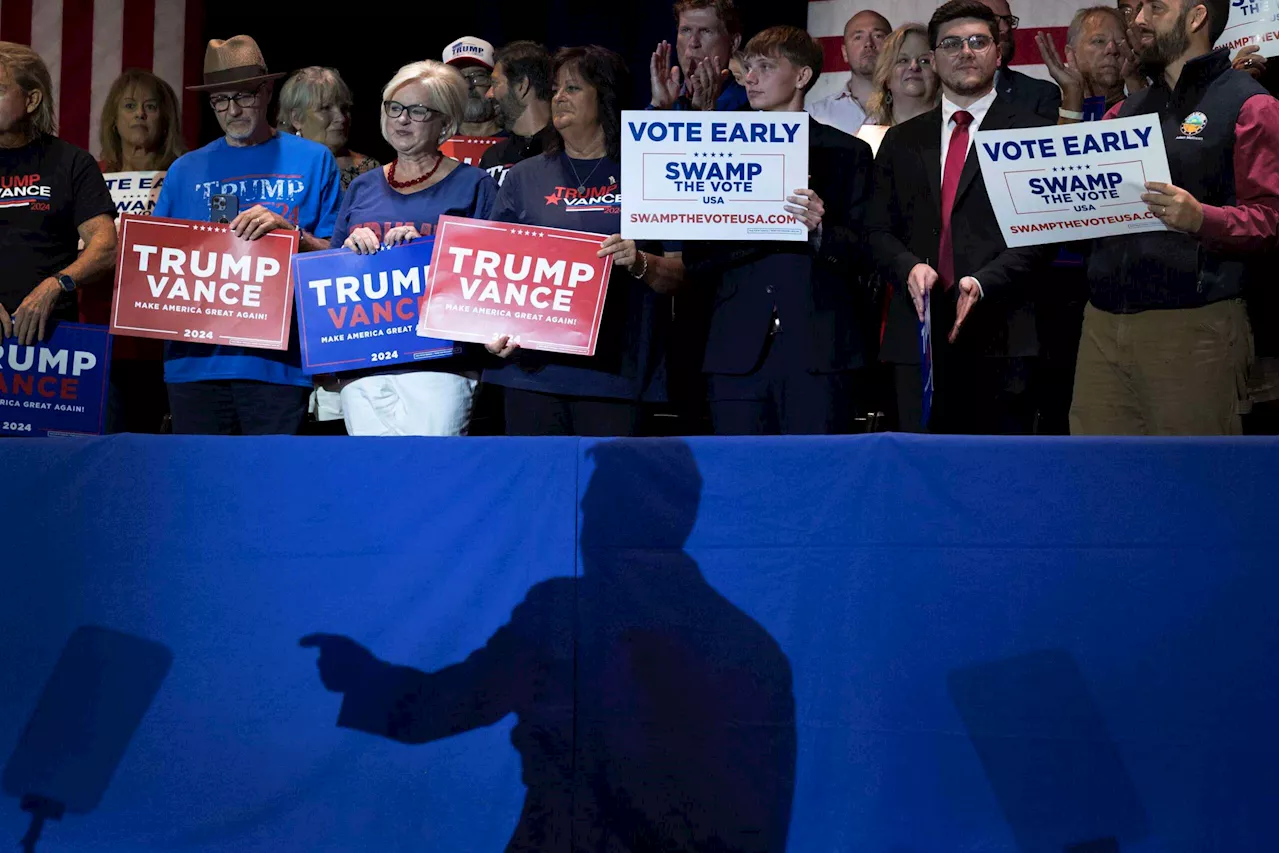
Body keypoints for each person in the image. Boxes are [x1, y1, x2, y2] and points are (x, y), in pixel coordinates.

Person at [301, 440, 797, 852]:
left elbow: (446, 707)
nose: (583, 509)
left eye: (601, 497)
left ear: (637, 514)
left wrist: (360, 678)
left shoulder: (560, 613)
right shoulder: (751, 647)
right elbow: (762, 822)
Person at [1070, 0, 1280, 436]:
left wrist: (1202, 218)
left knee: (1195, 487)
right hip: (1103, 325)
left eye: (1156, 8)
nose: (1139, 20)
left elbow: (1270, 219)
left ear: (1197, 17)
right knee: (1099, 482)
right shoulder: (1123, 112)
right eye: (1138, 9)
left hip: (1194, 327)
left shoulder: (1250, 105)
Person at [867, 0, 1051, 435]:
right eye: (951, 43)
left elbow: (1044, 234)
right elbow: (875, 230)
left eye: (978, 41)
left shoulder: (1032, 133)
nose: (965, 51)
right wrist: (908, 266)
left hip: (1003, 336)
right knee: (919, 484)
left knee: (997, 481)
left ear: (998, 53)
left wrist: (986, 280)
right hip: (917, 339)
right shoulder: (901, 139)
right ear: (933, 58)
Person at [482, 46, 685, 437]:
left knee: (612, 496)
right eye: (556, 88)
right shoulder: (524, 178)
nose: (558, 97)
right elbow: (494, 271)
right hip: (533, 375)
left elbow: (680, 273)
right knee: (539, 494)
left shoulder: (649, 171)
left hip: (617, 375)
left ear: (604, 96)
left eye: (572, 87)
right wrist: (493, 332)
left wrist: (639, 260)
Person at [683, 26, 873, 436]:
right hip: (736, 350)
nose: (750, 78)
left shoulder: (847, 153)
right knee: (741, 480)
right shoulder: (715, 148)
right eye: (748, 68)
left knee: (817, 480)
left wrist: (820, 229)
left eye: (765, 67)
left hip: (820, 351)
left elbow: (866, 251)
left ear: (802, 76)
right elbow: (696, 256)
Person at [152, 35, 340, 435]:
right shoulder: (184, 170)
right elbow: (155, 268)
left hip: (278, 363)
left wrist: (293, 234)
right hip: (194, 364)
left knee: (271, 487)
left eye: (243, 96)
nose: (232, 110)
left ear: (268, 90)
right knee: (200, 487)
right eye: (219, 100)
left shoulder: (313, 159)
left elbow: (337, 261)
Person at [327, 61, 498, 437]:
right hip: (365, 368)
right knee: (372, 482)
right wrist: (349, 255)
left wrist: (428, 249)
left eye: (419, 111)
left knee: (431, 480)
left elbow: (491, 279)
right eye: (395, 107)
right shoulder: (362, 187)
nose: (403, 119)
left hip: (439, 366)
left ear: (446, 124)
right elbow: (331, 276)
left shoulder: (474, 185)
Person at [0, 42, 116, 349]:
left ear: (32, 99)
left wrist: (56, 285)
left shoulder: (72, 162)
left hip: (52, 340)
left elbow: (104, 248)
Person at [90, 68, 186, 433]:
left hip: (163, 333)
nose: (140, 115)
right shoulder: (90, 175)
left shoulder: (185, 173)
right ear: (114, 119)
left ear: (166, 118)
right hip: (101, 329)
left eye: (150, 106)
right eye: (129, 106)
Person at [277, 66, 379, 193]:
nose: (341, 118)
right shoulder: (273, 170)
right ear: (297, 118)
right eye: (325, 108)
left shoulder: (368, 171)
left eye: (344, 108)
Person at [1037, 7, 1136, 122]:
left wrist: (1135, 82)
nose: (1112, 49)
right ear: (1071, 53)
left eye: (1120, 42)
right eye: (1099, 41)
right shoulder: (1045, 112)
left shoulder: (1149, 103)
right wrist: (1072, 95)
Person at [649, 0, 748, 111]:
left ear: (733, 43)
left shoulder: (752, 107)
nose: (693, 43)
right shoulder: (668, 103)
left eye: (706, 31)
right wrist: (659, 107)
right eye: (686, 30)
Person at [860, 22, 942, 155]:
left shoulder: (954, 136)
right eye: (903, 60)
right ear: (886, 77)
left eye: (924, 61)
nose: (914, 66)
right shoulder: (866, 141)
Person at [480, 41, 555, 188]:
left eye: (495, 84)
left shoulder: (569, 150)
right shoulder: (492, 157)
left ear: (522, 86)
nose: (488, 94)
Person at [807, 10, 892, 136]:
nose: (868, 43)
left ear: (894, 47)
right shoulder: (815, 116)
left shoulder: (914, 109)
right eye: (858, 37)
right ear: (844, 53)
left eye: (878, 36)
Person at [975, 0, 1062, 121]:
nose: (1005, 28)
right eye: (992, 19)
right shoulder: (940, 89)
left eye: (1008, 21)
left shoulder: (1039, 95)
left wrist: (1072, 95)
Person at [443, 36, 500, 139]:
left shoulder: (519, 143)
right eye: (459, 78)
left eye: (478, 75)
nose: (468, 85)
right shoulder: (433, 145)